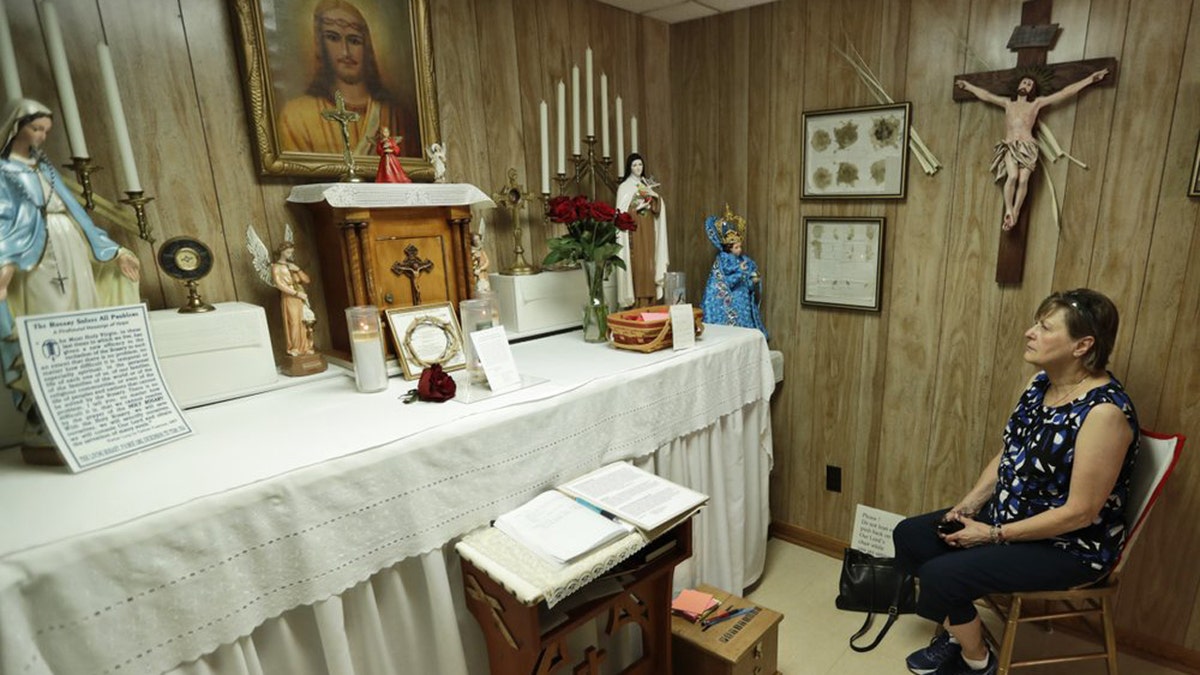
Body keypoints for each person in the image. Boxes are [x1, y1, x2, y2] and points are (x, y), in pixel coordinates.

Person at [892, 288, 1138, 675]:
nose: (1030, 332)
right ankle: (961, 632)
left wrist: (990, 534)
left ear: (1082, 345)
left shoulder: (1104, 413)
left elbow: (1080, 513)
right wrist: (971, 503)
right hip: (1007, 516)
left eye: (1044, 326)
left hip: (1067, 545)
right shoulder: (1039, 384)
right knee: (910, 534)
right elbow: (1009, 452)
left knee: (941, 574)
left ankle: (977, 660)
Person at [0, 99, 141, 413]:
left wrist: (112, 250)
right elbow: (5, 220)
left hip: (70, 244)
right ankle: (54, 400)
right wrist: (5, 265)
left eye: (46, 131)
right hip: (33, 251)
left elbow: (76, 210)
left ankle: (91, 392)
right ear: (16, 128)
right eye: (36, 128)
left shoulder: (44, 166)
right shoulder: (4, 170)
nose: (41, 136)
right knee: (48, 316)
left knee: (83, 313)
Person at [956, 69, 1107, 230]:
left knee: (1023, 180)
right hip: (1010, 145)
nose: (1026, 85)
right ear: (1018, 85)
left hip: (1028, 147)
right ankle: (1008, 208)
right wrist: (968, 87)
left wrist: (1090, 79)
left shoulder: (1036, 104)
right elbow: (986, 95)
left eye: (1029, 84)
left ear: (1032, 90)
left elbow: (1065, 93)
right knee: (1013, 176)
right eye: (1024, 82)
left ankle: (1015, 212)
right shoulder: (1008, 103)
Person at [277, 0, 419, 157]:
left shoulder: (396, 115)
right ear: (320, 44)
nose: (345, 52)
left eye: (354, 40)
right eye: (333, 38)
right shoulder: (297, 116)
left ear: (368, 47)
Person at [701, 206, 766, 337]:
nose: (739, 250)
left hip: (743, 300)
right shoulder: (722, 262)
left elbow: (748, 282)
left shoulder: (744, 260)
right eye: (736, 247)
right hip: (731, 300)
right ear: (728, 248)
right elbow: (723, 283)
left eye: (740, 246)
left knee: (745, 326)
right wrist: (740, 273)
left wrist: (753, 281)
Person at [614, 153, 668, 307]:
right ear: (629, 168)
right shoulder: (624, 187)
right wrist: (636, 208)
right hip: (634, 232)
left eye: (640, 165)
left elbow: (657, 208)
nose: (638, 168)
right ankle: (638, 303)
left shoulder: (645, 183)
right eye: (634, 165)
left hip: (649, 229)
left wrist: (655, 198)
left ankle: (651, 302)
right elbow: (620, 215)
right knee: (639, 265)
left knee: (650, 264)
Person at [271, 242, 316, 357]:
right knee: (293, 322)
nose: (290, 254)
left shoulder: (292, 266)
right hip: (290, 297)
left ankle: (306, 347)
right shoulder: (276, 267)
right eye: (287, 252)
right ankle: (294, 347)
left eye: (291, 252)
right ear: (281, 252)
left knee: (304, 322)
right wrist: (296, 293)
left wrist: (298, 269)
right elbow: (279, 284)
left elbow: (306, 280)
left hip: (301, 297)